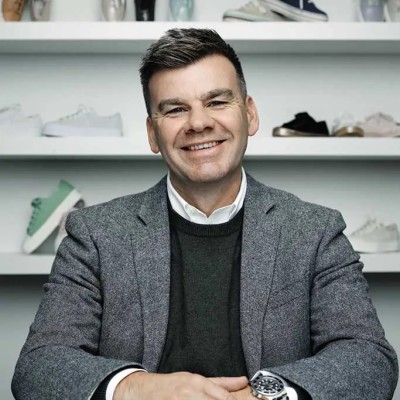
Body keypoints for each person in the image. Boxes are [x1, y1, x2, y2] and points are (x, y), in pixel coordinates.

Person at [12, 28, 398, 400]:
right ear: (152, 133)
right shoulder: (94, 235)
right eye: (176, 109)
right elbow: (38, 367)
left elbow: (368, 359)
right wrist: (138, 388)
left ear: (250, 114)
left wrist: (266, 396)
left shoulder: (316, 231)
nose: (198, 123)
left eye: (216, 102)